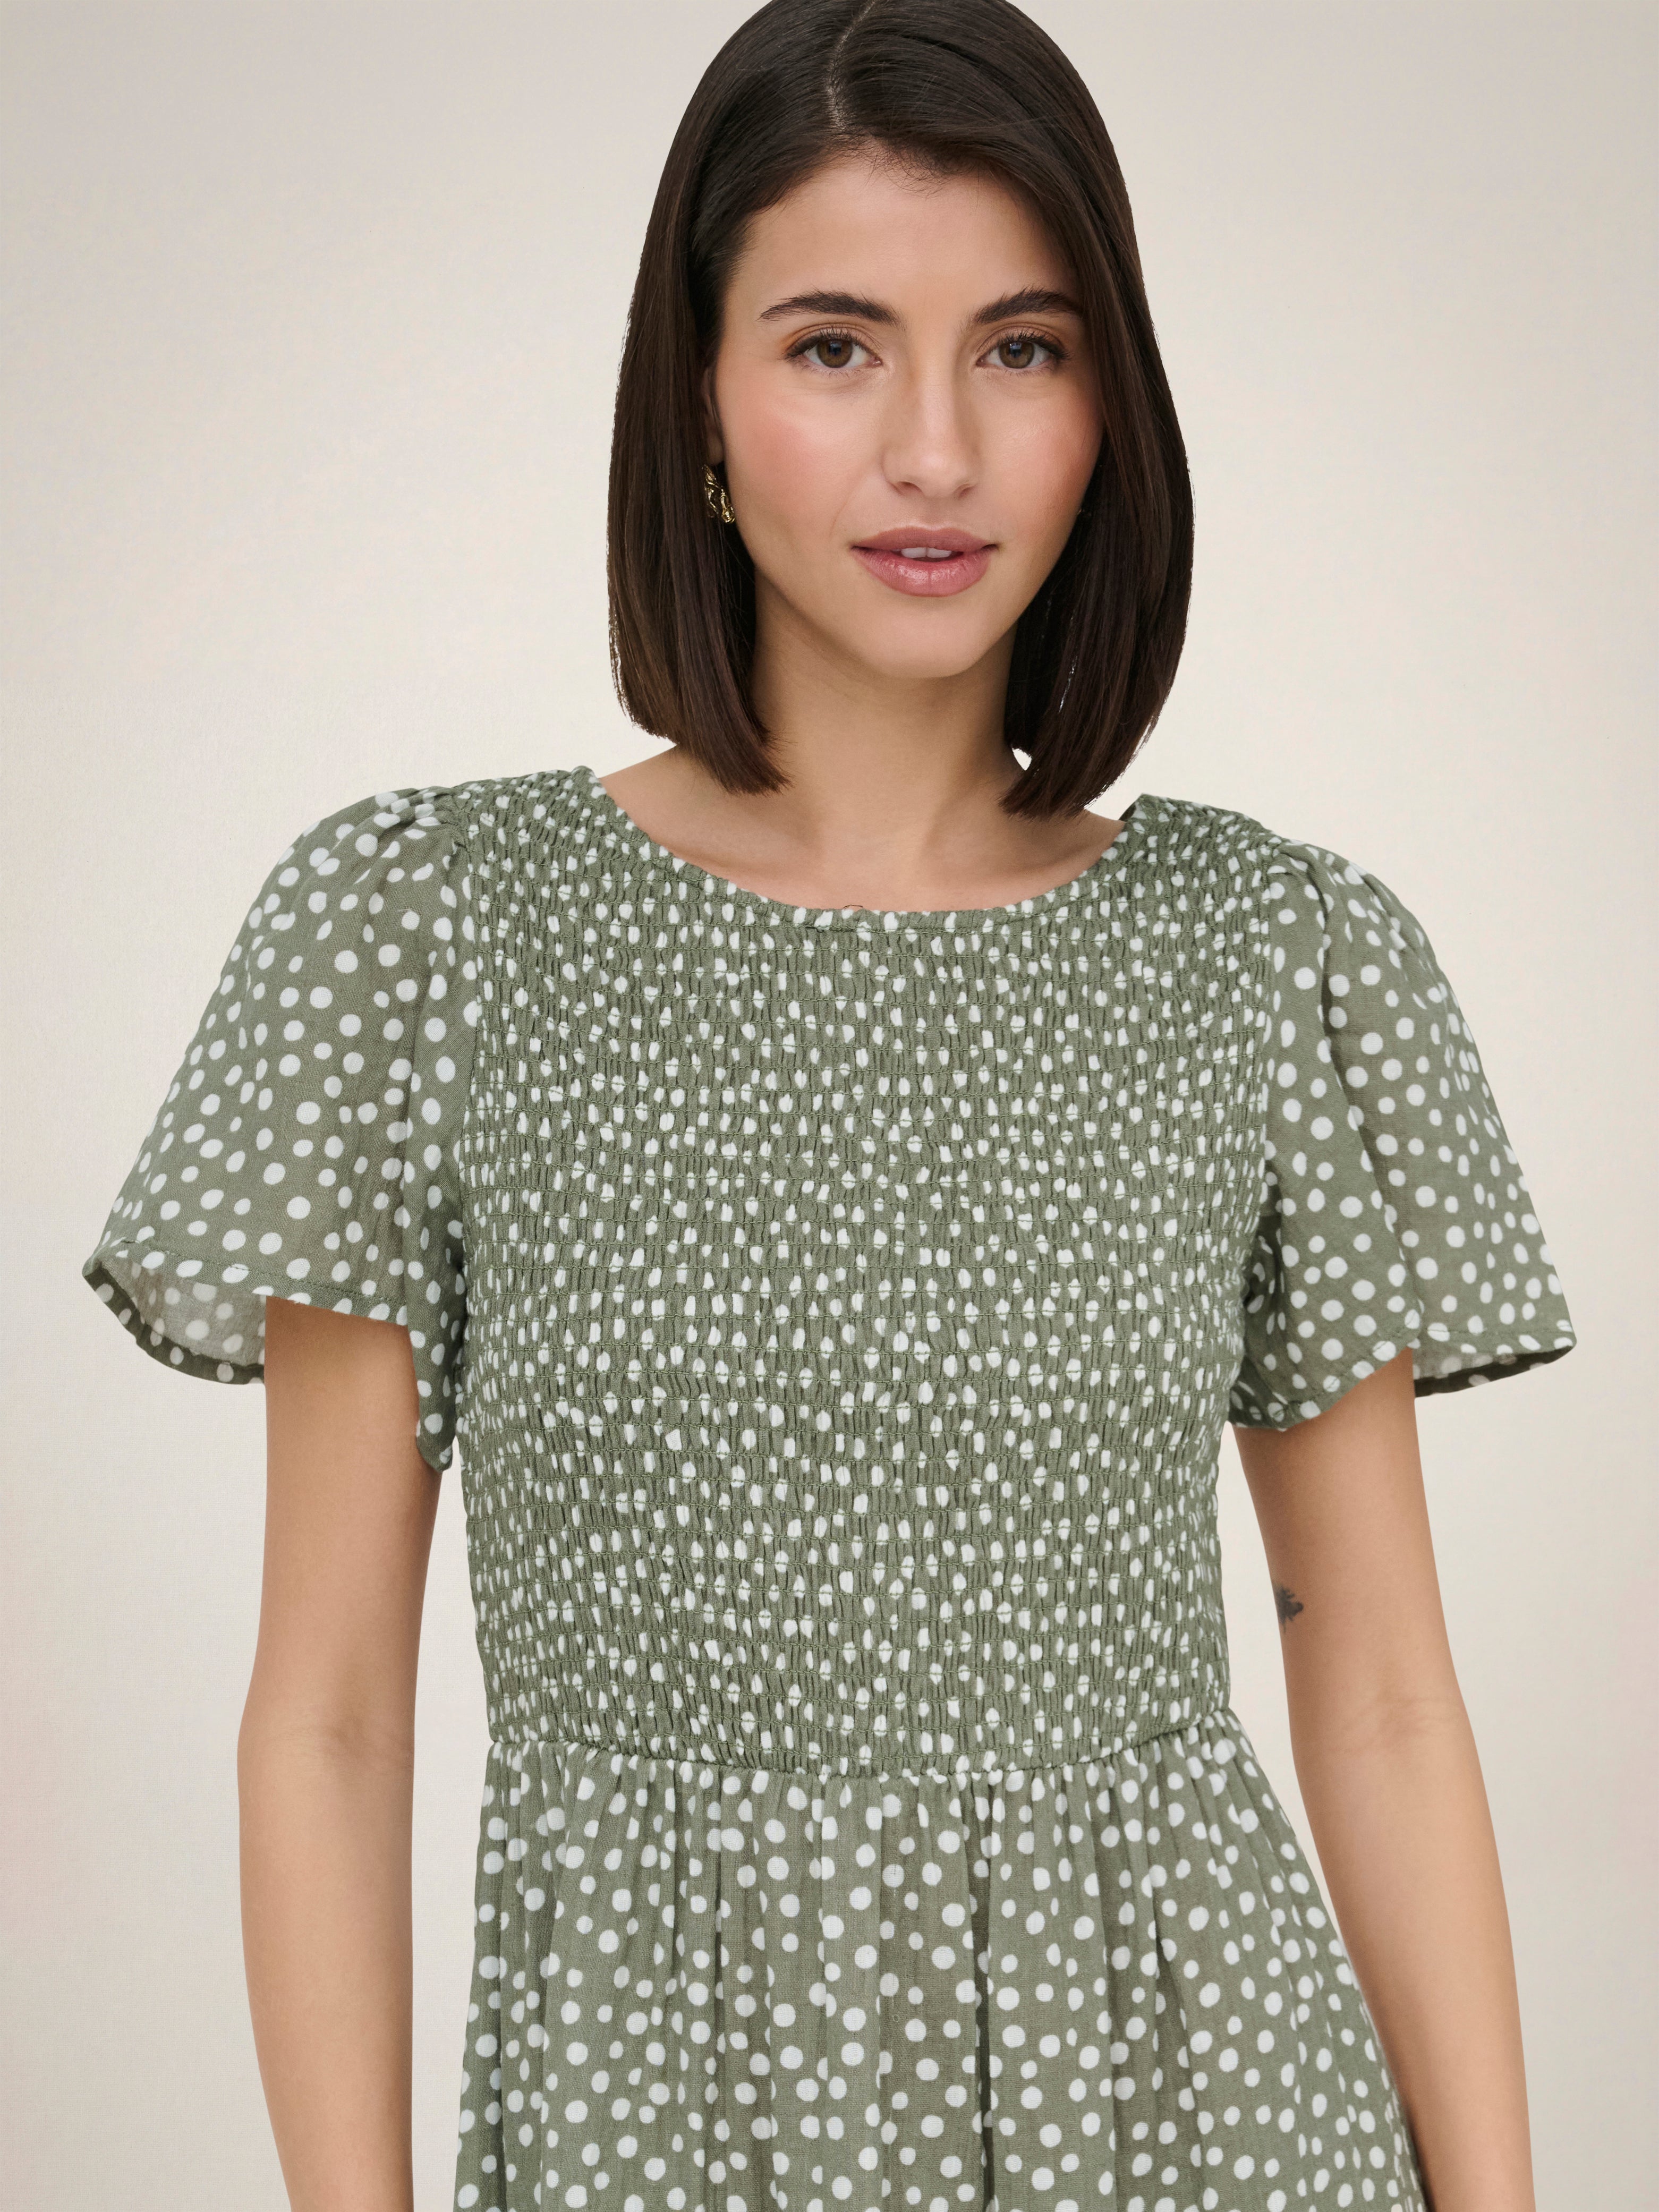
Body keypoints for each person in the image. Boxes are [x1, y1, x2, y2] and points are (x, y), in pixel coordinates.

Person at [80, 3, 1577, 2207]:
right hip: (652, 2130)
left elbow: (1375, 1687)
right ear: (692, 393)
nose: (935, 452)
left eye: (1023, 349)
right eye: (833, 346)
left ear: (1110, 412)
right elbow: (326, 1719)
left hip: (1208, 2127)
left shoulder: (1271, 952)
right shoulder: (431, 930)